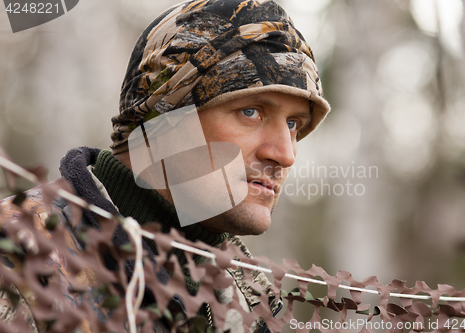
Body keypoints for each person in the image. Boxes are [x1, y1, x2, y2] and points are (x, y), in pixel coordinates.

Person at [0, 0, 330, 332]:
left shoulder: (249, 298)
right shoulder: (19, 259)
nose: (285, 155)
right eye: (251, 112)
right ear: (163, 121)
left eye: (293, 125)